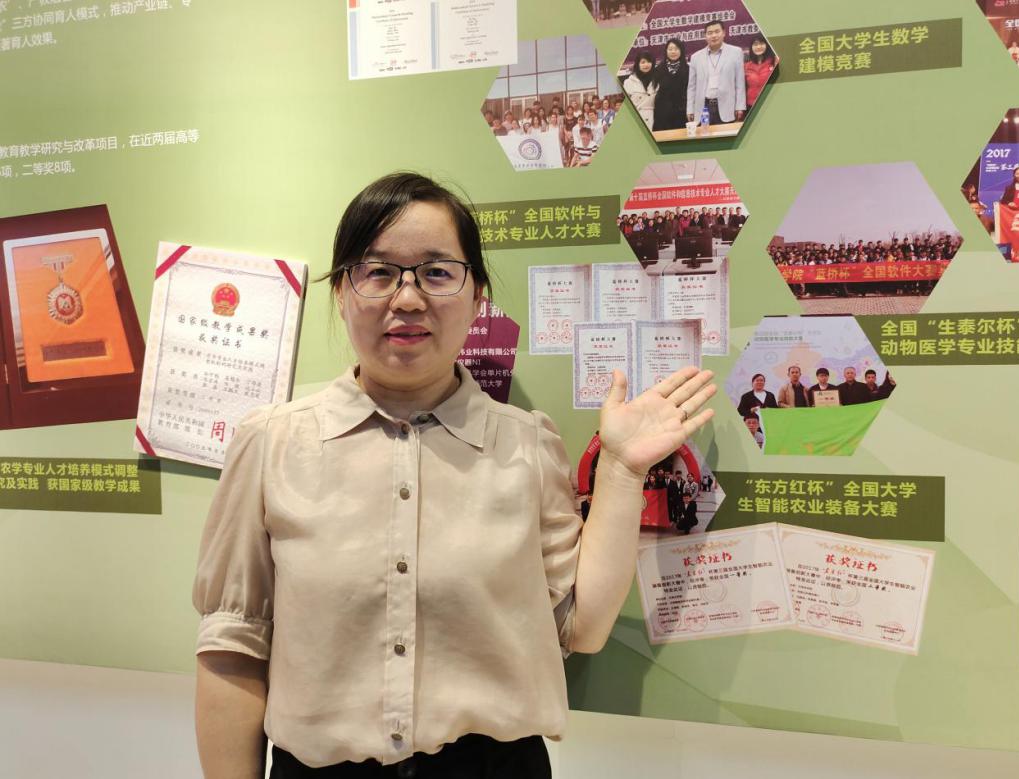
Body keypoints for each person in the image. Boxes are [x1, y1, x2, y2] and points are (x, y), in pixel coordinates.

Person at [193, 172, 718, 776]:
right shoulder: (271, 443)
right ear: (341, 292)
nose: (407, 298)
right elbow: (232, 648)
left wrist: (623, 470)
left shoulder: (527, 444)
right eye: (378, 271)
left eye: (438, 272)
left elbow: (583, 627)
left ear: (477, 297)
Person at [686, 19, 747, 127]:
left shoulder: (736, 52)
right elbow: (692, 87)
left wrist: (740, 106)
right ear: (705, 36)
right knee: (704, 136)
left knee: (727, 137)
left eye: (717, 31)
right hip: (704, 107)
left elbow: (740, 82)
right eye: (710, 33)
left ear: (724, 33)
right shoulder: (696, 57)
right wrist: (690, 109)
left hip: (727, 106)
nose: (714, 35)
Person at [653, 38, 690, 132]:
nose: (673, 52)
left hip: (682, 114)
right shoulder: (658, 70)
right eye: (670, 49)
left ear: (681, 51)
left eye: (676, 49)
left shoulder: (688, 69)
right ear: (666, 51)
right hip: (662, 115)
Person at [624, 52, 658, 129]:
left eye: (649, 62)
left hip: (654, 120)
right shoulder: (629, 82)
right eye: (643, 62)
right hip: (635, 121)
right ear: (637, 64)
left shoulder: (657, 81)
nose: (646, 65)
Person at [744, 34, 776, 109]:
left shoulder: (774, 61)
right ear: (751, 47)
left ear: (767, 45)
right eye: (755, 44)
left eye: (761, 43)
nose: (758, 47)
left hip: (771, 103)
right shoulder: (746, 66)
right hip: (751, 105)